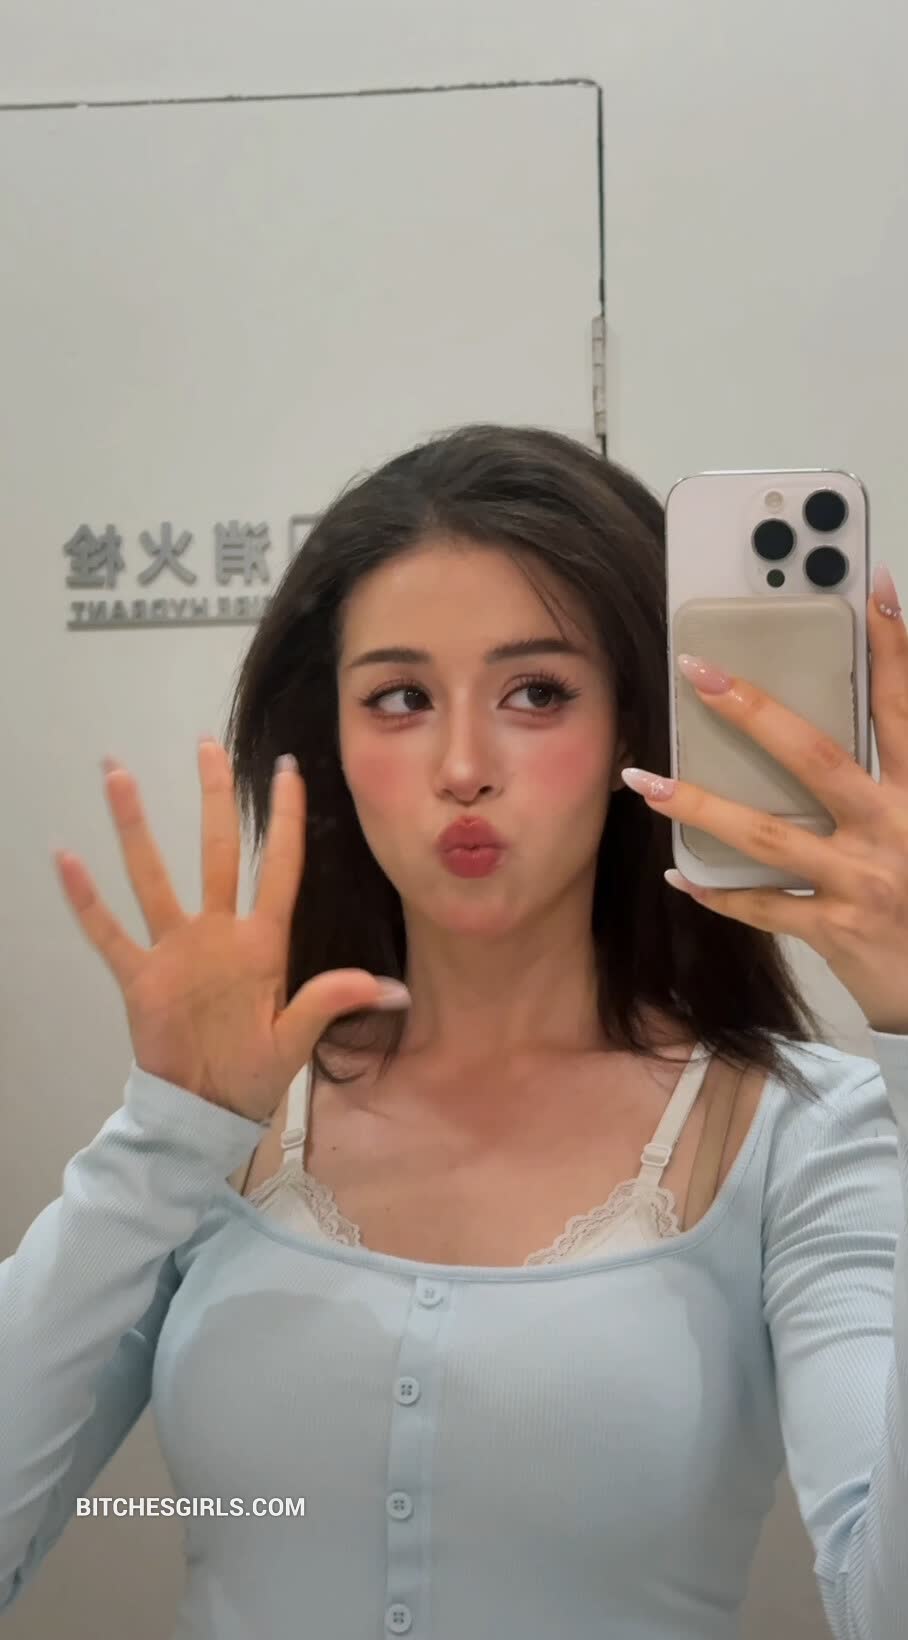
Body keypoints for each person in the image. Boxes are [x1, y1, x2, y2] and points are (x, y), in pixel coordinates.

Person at [1, 423, 906, 1639]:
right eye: (400, 698)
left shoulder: (797, 1128)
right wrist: (162, 1140)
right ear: (329, 738)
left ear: (632, 725)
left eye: (537, 693)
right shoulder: (231, 1106)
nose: (463, 765)